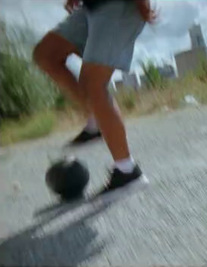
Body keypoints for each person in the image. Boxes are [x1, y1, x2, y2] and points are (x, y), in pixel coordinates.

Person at [33, 0, 157, 199]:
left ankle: (128, 172)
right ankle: (96, 121)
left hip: (118, 5)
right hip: (91, 7)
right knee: (46, 54)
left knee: (93, 84)